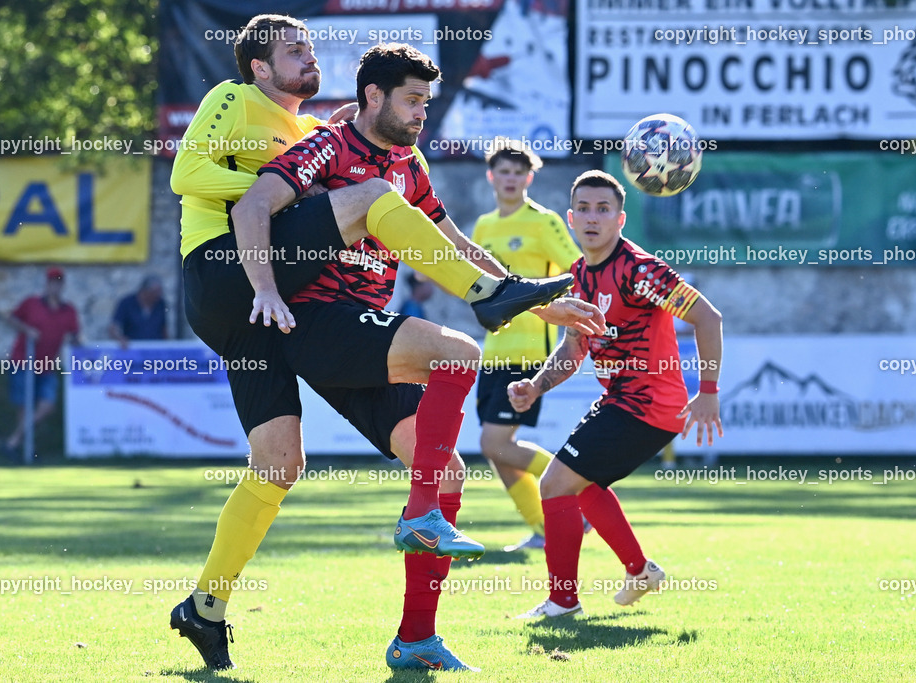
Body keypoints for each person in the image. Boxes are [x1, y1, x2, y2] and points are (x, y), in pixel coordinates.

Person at [168, 24, 600, 672]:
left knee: (287, 463)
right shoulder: (241, 102)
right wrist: (297, 192)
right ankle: (484, 301)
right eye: (294, 51)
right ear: (259, 67)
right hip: (228, 275)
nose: (311, 58)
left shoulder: (320, 135)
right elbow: (196, 176)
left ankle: (211, 606)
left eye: (314, 51)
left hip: (274, 317)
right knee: (379, 207)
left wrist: (536, 299)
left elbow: (449, 238)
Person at [508, 170, 724, 619]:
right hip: (621, 403)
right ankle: (640, 572)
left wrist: (708, 391)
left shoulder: (640, 270)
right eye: (584, 209)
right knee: (582, 486)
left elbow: (708, 317)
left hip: (647, 406)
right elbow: (573, 347)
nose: (592, 218)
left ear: (620, 219)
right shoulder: (579, 276)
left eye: (603, 209)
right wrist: (538, 385)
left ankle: (562, 602)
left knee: (554, 483)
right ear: (570, 218)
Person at [471, 138, 583, 552]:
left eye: (519, 172)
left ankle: (577, 489)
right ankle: (542, 528)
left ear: (529, 178)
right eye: (504, 171)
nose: (511, 179)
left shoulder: (544, 221)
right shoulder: (484, 226)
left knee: (493, 443)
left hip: (529, 355)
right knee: (498, 454)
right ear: (492, 176)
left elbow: (576, 269)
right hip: (493, 352)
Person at [3, 267, 81, 454]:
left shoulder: (68, 310)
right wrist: (27, 329)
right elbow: (11, 318)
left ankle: (14, 441)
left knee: (47, 405)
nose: (55, 286)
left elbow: (75, 333)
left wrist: (76, 340)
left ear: (63, 285)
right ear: (47, 284)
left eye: (59, 283)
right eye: (52, 282)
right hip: (24, 360)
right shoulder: (32, 303)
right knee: (24, 406)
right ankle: (26, 448)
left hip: (47, 365)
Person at [108, 275, 167, 346]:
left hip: (154, 351)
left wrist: (167, 346)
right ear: (145, 291)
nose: (158, 295)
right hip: (132, 350)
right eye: (154, 293)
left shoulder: (161, 304)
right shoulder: (127, 303)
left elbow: (163, 328)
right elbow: (114, 327)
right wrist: (120, 339)